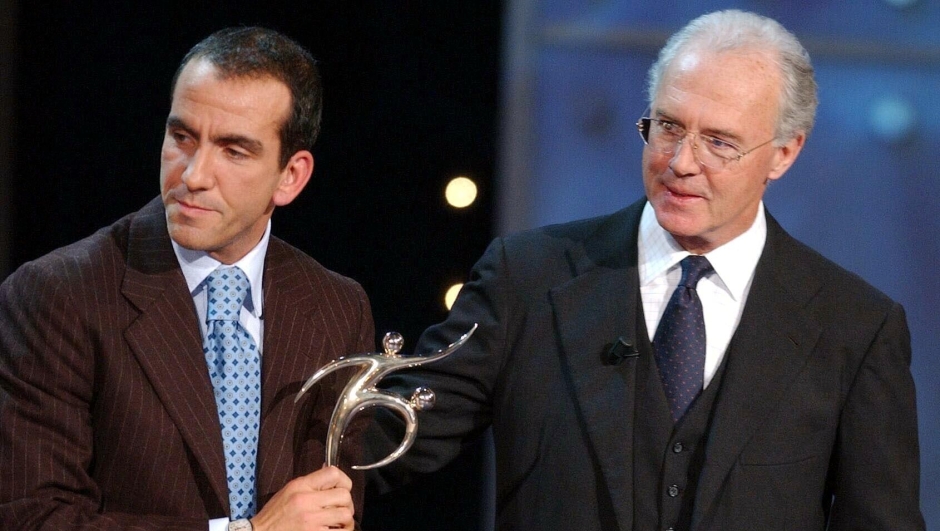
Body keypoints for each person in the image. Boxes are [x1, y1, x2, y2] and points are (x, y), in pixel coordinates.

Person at [366, 10, 925, 530]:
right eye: (668, 127)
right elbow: (391, 439)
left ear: (784, 153)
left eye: (719, 142)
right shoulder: (527, 279)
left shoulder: (855, 330)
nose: (681, 162)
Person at [0, 27, 374, 531]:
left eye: (233, 150)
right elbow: (34, 518)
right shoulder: (58, 295)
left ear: (291, 176)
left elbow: (332, 514)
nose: (193, 174)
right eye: (182, 138)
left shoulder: (337, 307)